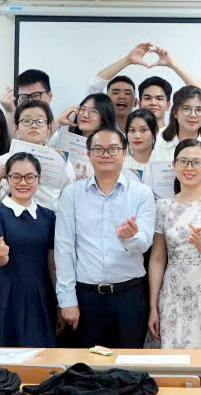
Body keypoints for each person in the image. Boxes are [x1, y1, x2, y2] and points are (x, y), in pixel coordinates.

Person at [55, 127, 157, 348]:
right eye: (98, 149)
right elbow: (64, 249)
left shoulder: (142, 194)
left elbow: (145, 243)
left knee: (128, 364)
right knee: (86, 365)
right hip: (86, 297)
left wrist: (130, 238)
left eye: (113, 149)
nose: (106, 155)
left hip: (129, 296)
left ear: (124, 153)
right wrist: (67, 300)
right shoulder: (72, 194)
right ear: (89, 155)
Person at [148, 139, 201, 349]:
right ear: (174, 165)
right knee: (174, 364)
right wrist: (153, 305)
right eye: (183, 161)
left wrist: (200, 242)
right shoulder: (163, 207)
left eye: (196, 162)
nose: (189, 168)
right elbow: (158, 258)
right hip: (173, 296)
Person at [0, 152, 58, 347]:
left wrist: (60, 301)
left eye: (30, 177)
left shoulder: (48, 217)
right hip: (7, 296)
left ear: (38, 179)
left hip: (41, 295)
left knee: (42, 356)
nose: (23, 183)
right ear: (7, 179)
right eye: (16, 177)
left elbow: (52, 264)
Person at [87, 43, 201, 128]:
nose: (153, 103)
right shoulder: (128, 134)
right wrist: (127, 60)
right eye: (147, 98)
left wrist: (172, 64)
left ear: (168, 105)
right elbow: (94, 88)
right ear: (139, 104)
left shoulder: (176, 134)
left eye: (159, 98)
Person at [0, 100, 75, 208]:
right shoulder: (0, 163)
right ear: (16, 128)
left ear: (48, 128)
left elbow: (70, 202)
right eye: (27, 121)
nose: (34, 125)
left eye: (40, 121)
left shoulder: (62, 164)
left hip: (50, 218)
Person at [152, 86, 201, 192]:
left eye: (199, 110)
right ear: (175, 112)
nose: (193, 115)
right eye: (186, 109)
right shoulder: (157, 143)